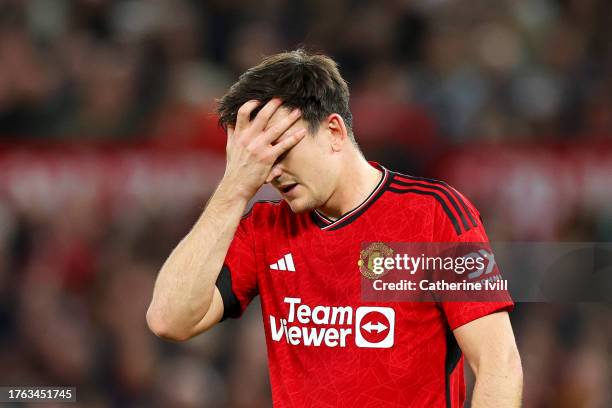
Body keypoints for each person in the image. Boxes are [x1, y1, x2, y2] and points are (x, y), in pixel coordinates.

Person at [146, 49, 523, 407]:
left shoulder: (432, 216)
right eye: (259, 160)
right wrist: (233, 187)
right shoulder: (264, 230)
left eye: (281, 151)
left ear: (334, 131)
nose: (271, 173)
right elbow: (169, 319)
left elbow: (498, 363)